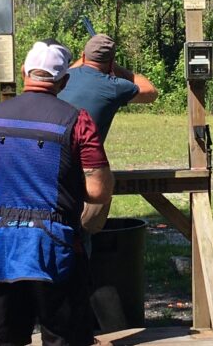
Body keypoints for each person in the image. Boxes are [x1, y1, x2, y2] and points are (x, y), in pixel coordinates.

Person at [0, 39, 114, 346]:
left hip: (1, 247)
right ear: (64, 81)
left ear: (24, 72)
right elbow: (98, 191)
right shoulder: (78, 121)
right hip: (55, 246)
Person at [57, 34, 158, 234]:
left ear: (82, 56)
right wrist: (118, 69)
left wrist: (87, 59)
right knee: (83, 230)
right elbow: (151, 91)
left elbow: (78, 66)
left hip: (49, 163)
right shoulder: (113, 85)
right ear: (111, 61)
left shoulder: (63, 78)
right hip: (85, 170)